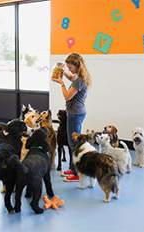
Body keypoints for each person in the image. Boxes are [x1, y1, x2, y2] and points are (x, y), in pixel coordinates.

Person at [51, 53, 92, 181]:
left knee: (73, 143)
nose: (69, 70)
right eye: (67, 67)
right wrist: (61, 71)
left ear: (77, 65)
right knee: (72, 143)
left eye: (70, 67)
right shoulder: (79, 76)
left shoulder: (80, 80)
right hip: (75, 112)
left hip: (75, 114)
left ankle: (75, 173)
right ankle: (73, 168)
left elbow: (67, 96)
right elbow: (71, 77)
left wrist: (61, 83)